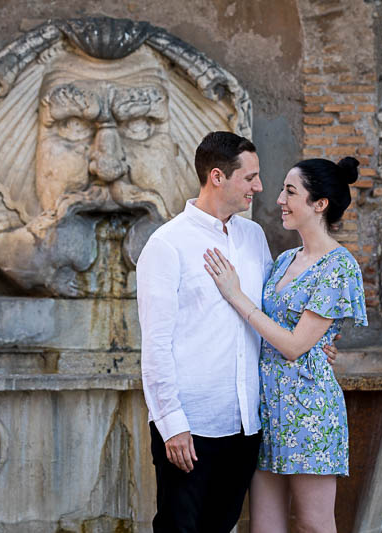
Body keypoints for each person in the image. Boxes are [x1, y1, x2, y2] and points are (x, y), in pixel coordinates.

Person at [137, 131, 337, 533]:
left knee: (222, 526)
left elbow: (269, 316)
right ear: (217, 177)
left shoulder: (253, 237)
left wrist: (315, 344)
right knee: (179, 528)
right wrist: (171, 423)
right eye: (250, 178)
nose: (259, 188)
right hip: (192, 425)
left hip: (247, 423)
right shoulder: (167, 245)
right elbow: (155, 344)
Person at [203, 157, 368, 533]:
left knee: (312, 524)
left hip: (309, 411)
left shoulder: (339, 266)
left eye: (290, 192)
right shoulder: (284, 260)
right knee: (265, 527)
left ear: (319, 204)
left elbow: (295, 345)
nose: (279, 199)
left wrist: (235, 295)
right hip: (268, 408)